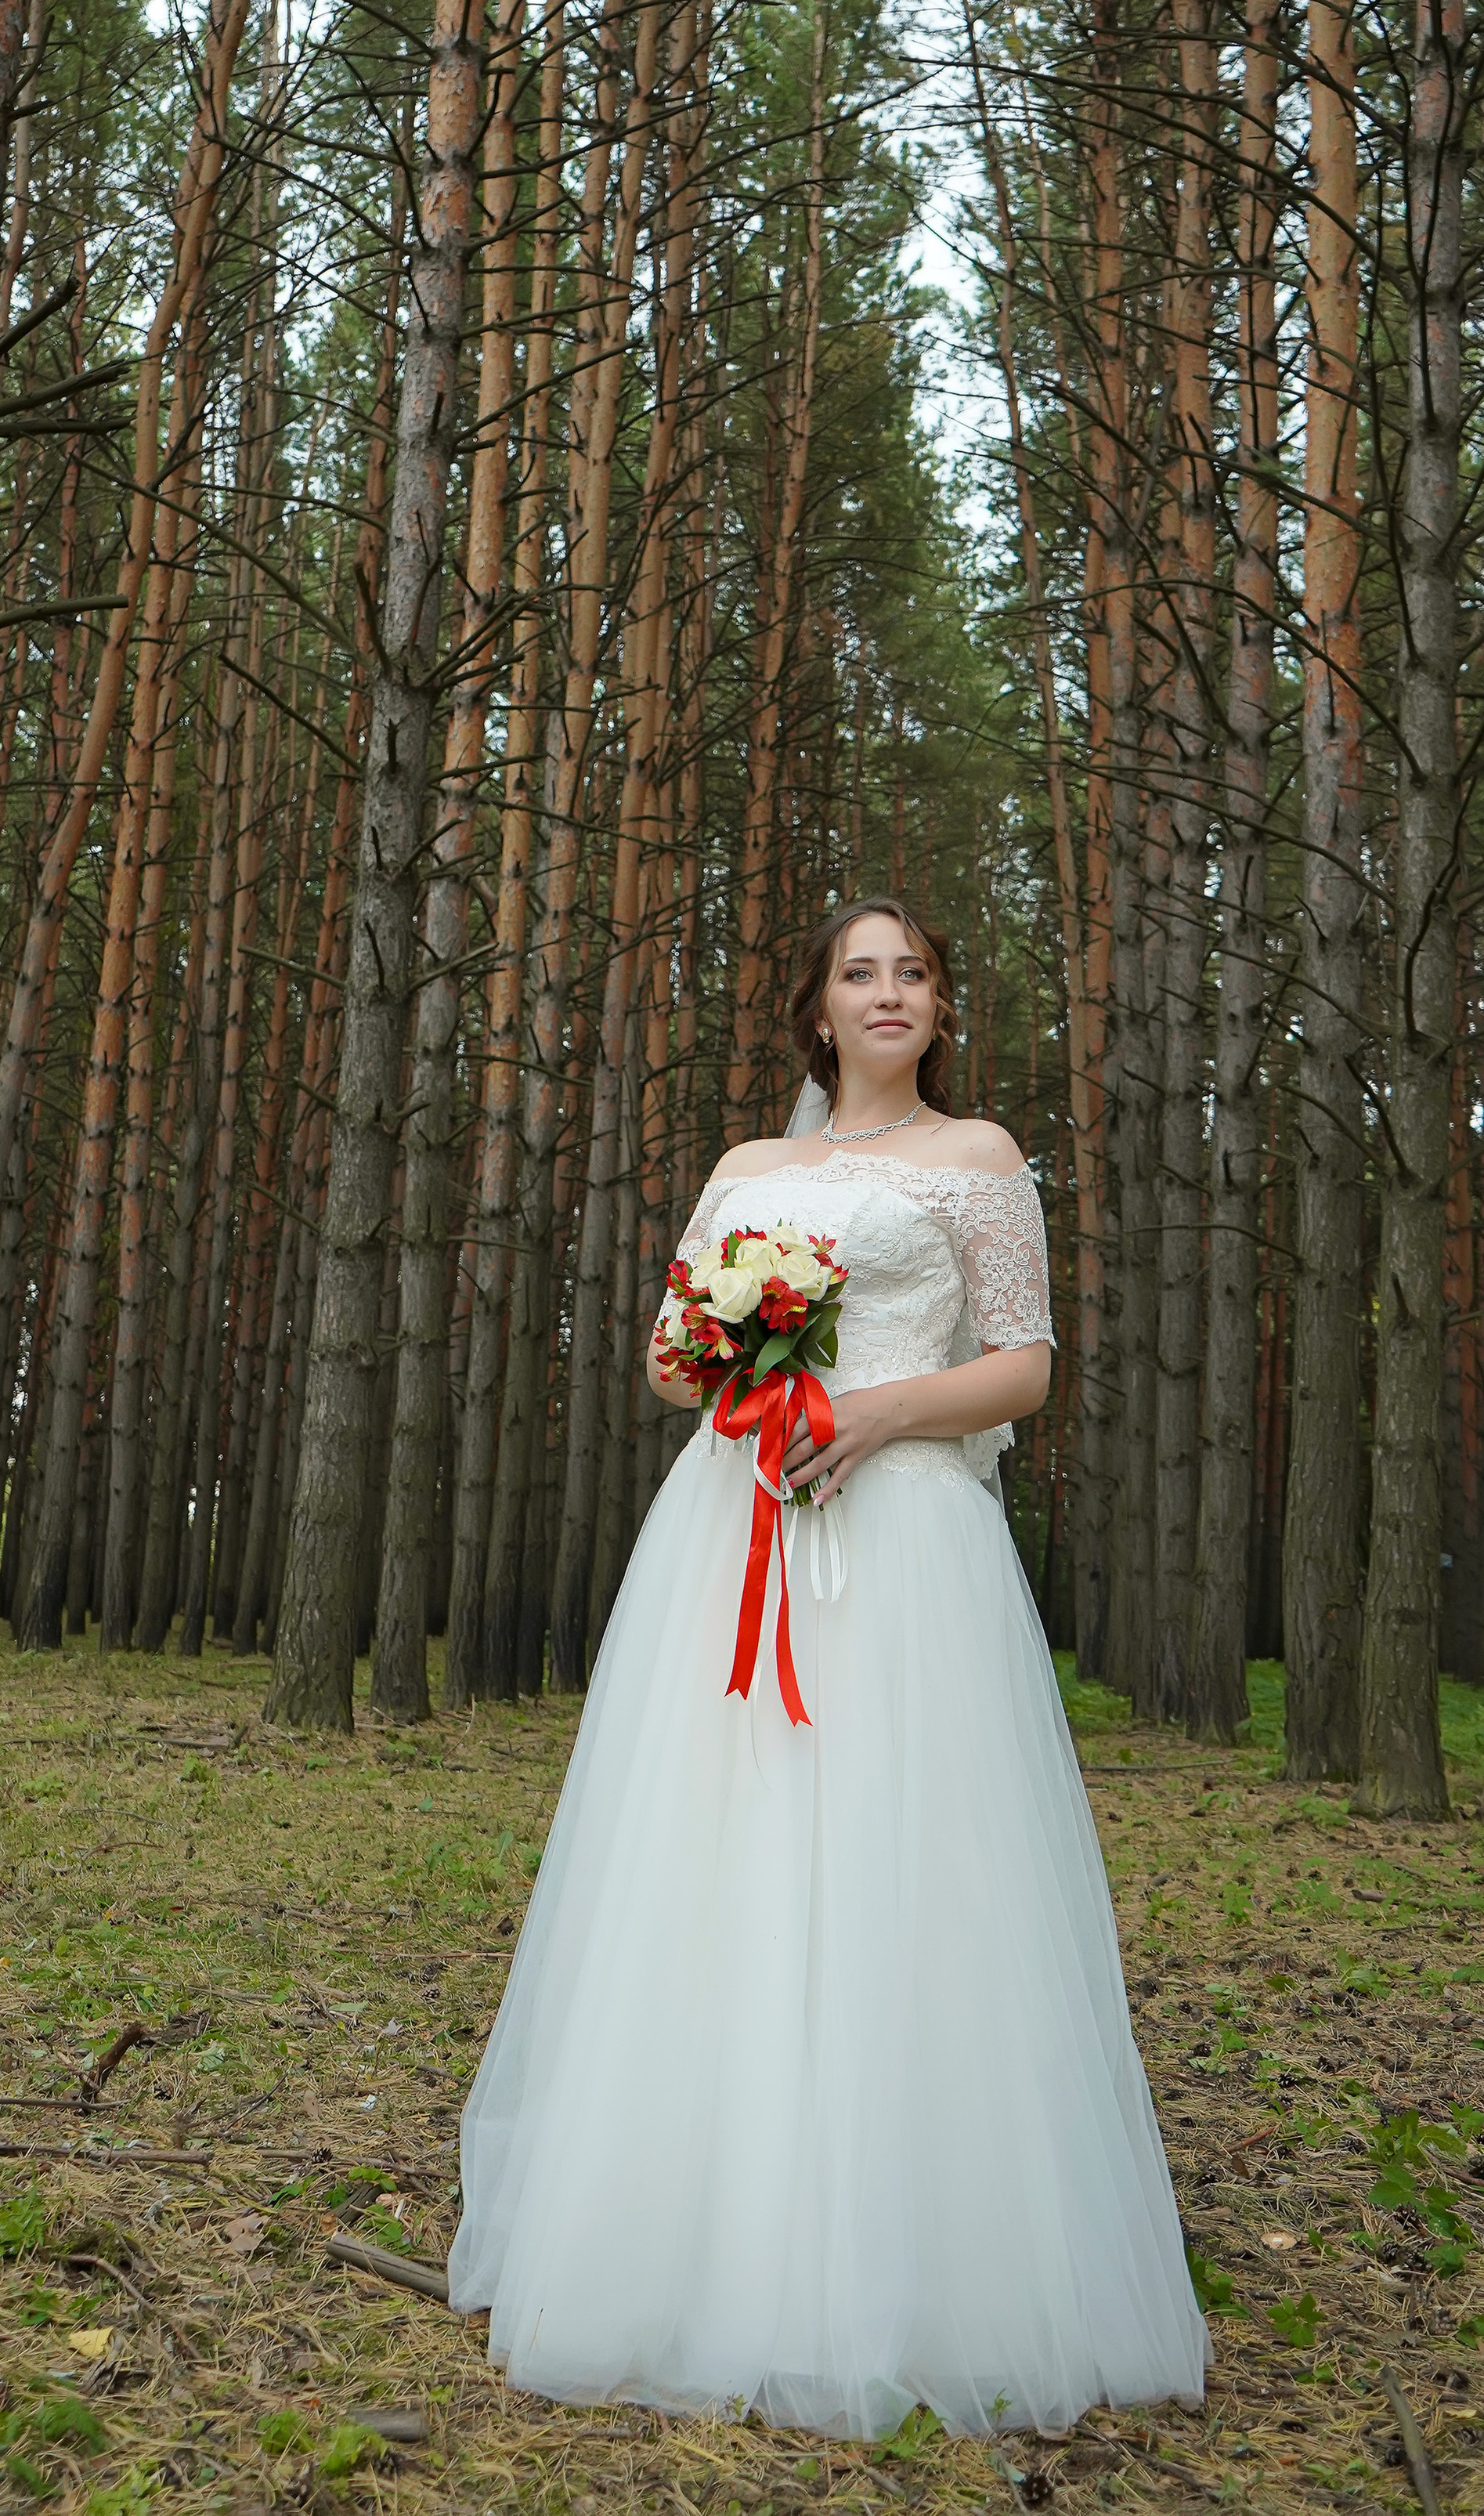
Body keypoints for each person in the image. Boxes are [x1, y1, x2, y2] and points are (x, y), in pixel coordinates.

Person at [450, 898, 1207, 2438]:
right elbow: (670, 1362)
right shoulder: (747, 1170)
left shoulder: (978, 1158)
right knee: (720, 1845)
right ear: (816, 1010)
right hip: (734, 1528)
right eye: (859, 973)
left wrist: (875, 1412)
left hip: (908, 1542)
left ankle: (915, 2257)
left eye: (912, 972)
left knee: (903, 1857)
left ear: (939, 1006)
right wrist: (744, 1342)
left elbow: (1023, 1366)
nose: (887, 993)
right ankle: (702, 2231)